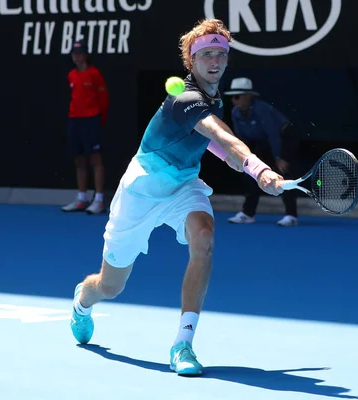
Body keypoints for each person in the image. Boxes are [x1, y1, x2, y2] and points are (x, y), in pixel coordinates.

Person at [69, 19, 284, 377]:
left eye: (221, 54)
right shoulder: (185, 98)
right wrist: (258, 166)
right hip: (141, 189)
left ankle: (183, 343)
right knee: (109, 286)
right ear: (192, 61)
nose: (214, 61)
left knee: (204, 239)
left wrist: (252, 170)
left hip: (183, 185)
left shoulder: (211, 100)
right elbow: (221, 135)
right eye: (206, 55)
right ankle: (81, 302)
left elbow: (219, 147)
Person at [224, 77, 299, 227]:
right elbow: (241, 140)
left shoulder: (261, 109)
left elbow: (273, 135)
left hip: (283, 140)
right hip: (261, 142)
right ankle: (248, 214)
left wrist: (279, 158)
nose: (234, 100)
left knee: (283, 175)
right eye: (232, 97)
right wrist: (244, 160)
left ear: (248, 96)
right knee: (253, 174)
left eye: (237, 96)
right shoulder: (235, 113)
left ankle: (291, 216)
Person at [61, 40, 109, 215]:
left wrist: (98, 120)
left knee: (95, 159)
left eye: (80, 53)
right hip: (75, 120)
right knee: (79, 160)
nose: (77, 56)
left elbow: (103, 101)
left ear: (86, 55)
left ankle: (99, 200)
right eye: (74, 53)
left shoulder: (94, 74)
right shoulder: (71, 75)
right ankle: (82, 198)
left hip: (91, 120)